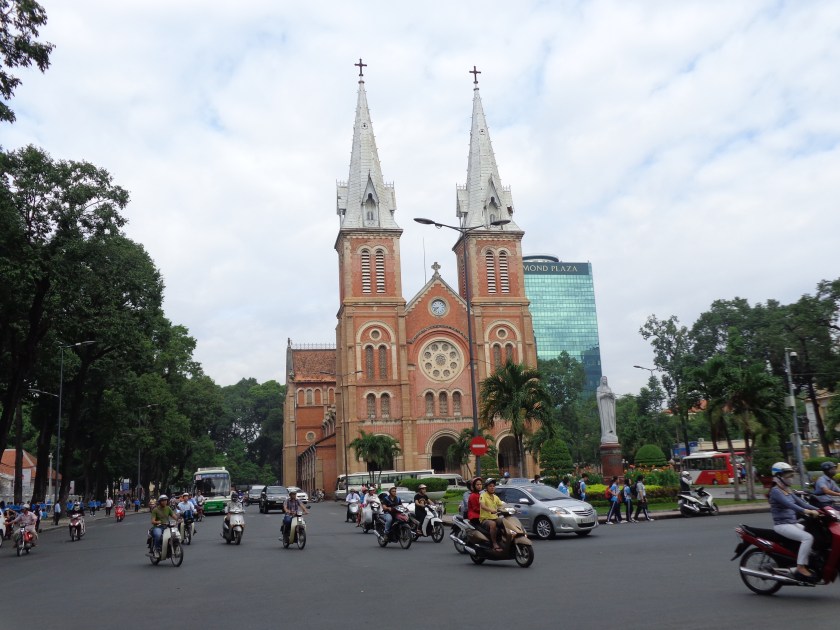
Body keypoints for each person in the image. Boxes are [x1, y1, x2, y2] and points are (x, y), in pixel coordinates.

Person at [768, 462, 821, 582]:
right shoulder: (776, 491)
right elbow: (790, 505)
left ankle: (809, 562)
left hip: (792, 523)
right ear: (778, 476)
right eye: (787, 475)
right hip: (782, 525)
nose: (791, 478)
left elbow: (801, 502)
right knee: (807, 538)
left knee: (814, 534)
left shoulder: (787, 489)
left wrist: (821, 510)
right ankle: (800, 567)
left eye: (791, 475)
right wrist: (807, 511)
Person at [480, 478, 505, 552]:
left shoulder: (495, 497)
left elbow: (502, 504)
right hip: (485, 519)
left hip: (494, 517)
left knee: (505, 521)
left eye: (493, 486)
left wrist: (511, 508)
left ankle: (503, 540)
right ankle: (494, 543)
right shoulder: (483, 495)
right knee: (493, 524)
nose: (492, 487)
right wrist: (492, 510)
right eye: (490, 486)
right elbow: (483, 506)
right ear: (486, 487)